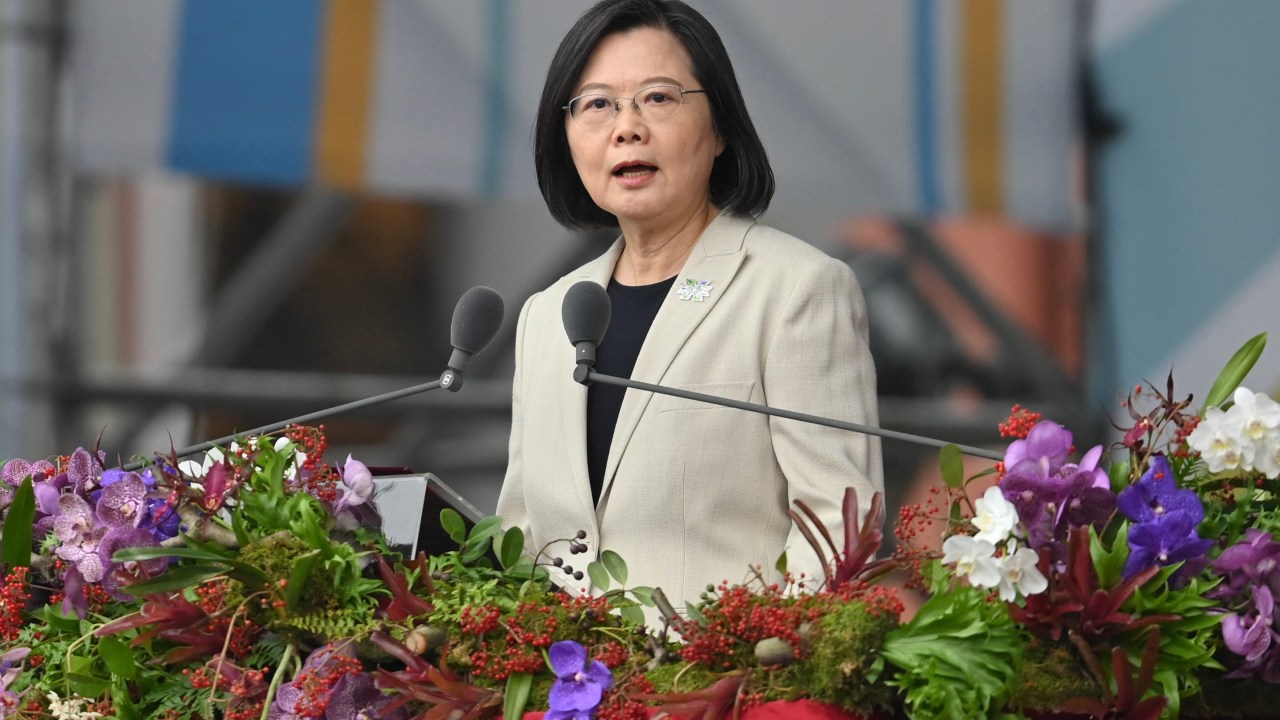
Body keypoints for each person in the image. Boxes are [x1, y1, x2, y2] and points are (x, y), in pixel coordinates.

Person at [496, 0, 883, 615]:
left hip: (721, 687)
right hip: (566, 695)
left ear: (721, 127)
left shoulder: (795, 288)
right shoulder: (547, 316)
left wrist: (761, 668)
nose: (626, 127)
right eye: (597, 104)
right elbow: (521, 538)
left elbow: (839, 526)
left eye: (658, 98)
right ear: (565, 135)